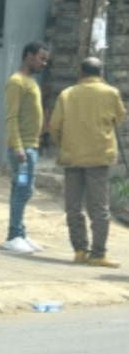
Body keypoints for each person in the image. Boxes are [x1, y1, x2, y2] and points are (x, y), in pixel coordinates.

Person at [49, 57, 126, 267]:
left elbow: (54, 126)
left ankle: (80, 250)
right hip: (99, 157)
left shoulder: (67, 94)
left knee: (73, 206)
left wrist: (64, 143)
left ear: (80, 72)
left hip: (72, 156)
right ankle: (98, 253)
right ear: (101, 73)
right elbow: (119, 119)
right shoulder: (111, 93)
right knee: (99, 207)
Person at [3, 41, 49, 254]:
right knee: (23, 189)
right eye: (41, 58)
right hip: (22, 150)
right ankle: (14, 235)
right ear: (29, 56)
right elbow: (11, 116)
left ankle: (20, 231)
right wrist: (18, 147)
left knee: (21, 189)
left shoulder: (30, 81)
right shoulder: (17, 82)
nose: (44, 63)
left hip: (31, 147)